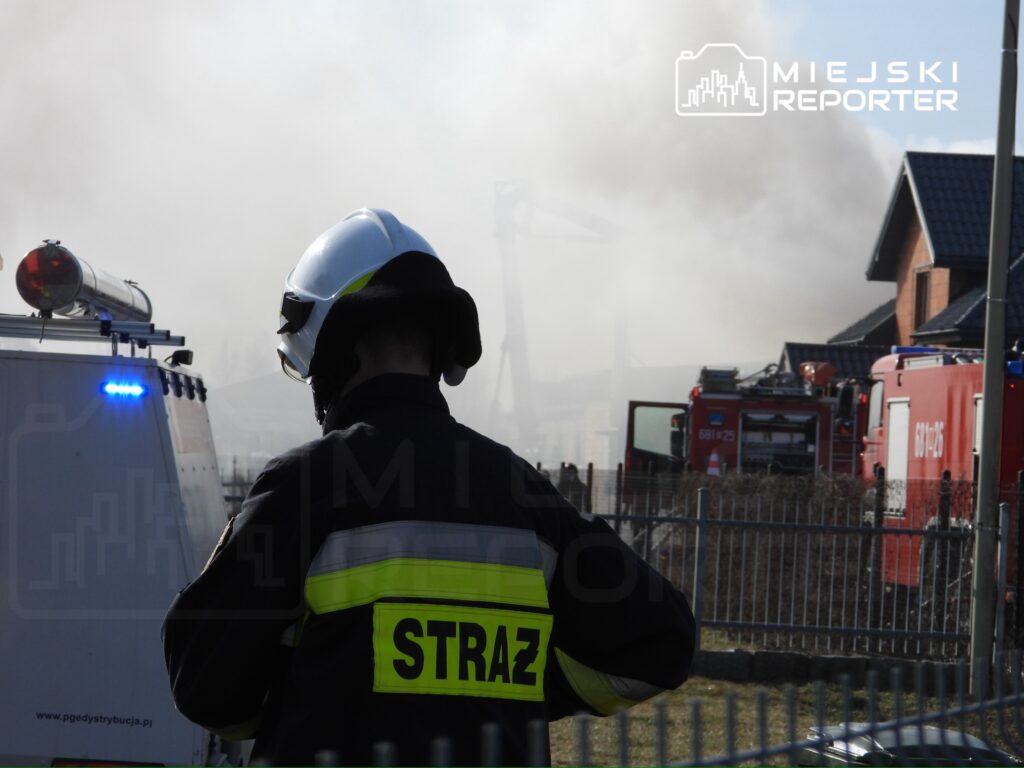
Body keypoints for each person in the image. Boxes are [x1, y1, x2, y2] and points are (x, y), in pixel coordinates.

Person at [162, 208, 696, 766]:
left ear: (334, 346)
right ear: (440, 345)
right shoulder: (522, 492)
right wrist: (509, 696)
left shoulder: (304, 487)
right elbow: (664, 642)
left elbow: (203, 685)